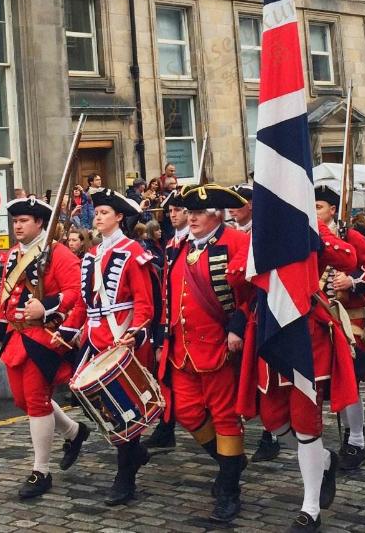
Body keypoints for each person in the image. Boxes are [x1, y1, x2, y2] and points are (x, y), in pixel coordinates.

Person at [238, 193, 358, 531]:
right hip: (269, 330)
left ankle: (311, 506)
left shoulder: (311, 225)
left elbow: (349, 258)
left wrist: (313, 237)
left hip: (307, 335)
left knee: (306, 422)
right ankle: (323, 460)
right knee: (274, 420)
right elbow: (241, 278)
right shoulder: (257, 233)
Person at [164, 185, 252, 522]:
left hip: (218, 347)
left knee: (226, 417)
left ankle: (230, 488)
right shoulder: (182, 247)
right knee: (187, 413)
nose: (193, 217)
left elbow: (250, 293)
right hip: (183, 349)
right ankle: (230, 462)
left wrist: (238, 326)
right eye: (191, 212)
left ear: (218, 214)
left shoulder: (237, 243)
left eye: (200, 212)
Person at [0, 196, 87, 500]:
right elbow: (6, 293)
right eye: (16, 221)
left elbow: (76, 291)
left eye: (24, 221)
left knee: (36, 401)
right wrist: (0, 323)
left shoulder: (57, 253)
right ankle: (74, 432)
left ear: (40, 224)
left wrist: (46, 306)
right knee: (22, 400)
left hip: (41, 338)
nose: (18, 226)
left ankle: (41, 471)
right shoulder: (13, 255)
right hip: (15, 336)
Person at [79, 188, 158, 505]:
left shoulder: (133, 252)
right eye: (96, 213)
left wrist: (136, 333)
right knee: (103, 409)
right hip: (96, 340)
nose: (98, 218)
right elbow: (87, 302)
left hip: (124, 339)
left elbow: (144, 303)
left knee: (127, 412)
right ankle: (135, 454)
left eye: (104, 213)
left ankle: (125, 478)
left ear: (120, 217)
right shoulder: (91, 255)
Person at [313, 184, 365, 472]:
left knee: (349, 380)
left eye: (318, 206)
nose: (314, 211)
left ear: (331, 210)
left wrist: (351, 281)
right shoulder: (308, 237)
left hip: (349, 319)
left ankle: (356, 441)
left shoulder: (349, 236)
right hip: (319, 319)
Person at [145, 190, 191, 452]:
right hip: (172, 323)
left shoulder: (193, 242)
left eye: (178, 209)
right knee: (167, 378)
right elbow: (166, 291)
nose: (173, 214)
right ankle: (166, 426)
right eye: (170, 210)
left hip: (198, 326)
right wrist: (162, 330)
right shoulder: (172, 243)